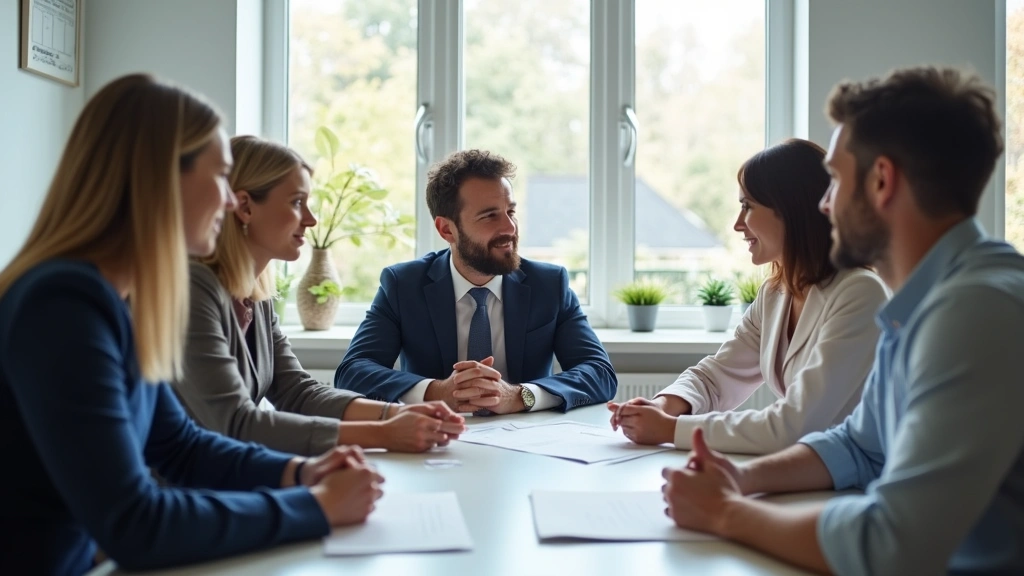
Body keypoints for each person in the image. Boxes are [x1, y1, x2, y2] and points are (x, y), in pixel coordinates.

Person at [0, 74, 383, 576]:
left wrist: (300, 472)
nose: (228, 201)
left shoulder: (115, 300)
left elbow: (181, 445)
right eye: (221, 176)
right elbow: (133, 523)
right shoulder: (62, 305)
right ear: (157, 179)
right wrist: (315, 507)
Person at [661, 66, 1024, 575]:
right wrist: (739, 480)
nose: (824, 204)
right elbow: (857, 444)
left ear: (881, 181)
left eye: (833, 179)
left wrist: (726, 513)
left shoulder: (977, 312)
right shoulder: (923, 305)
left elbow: (893, 546)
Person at [174, 136, 465, 455]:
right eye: (297, 202)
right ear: (244, 207)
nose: (311, 219)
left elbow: (297, 393)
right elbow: (236, 422)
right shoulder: (193, 289)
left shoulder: (257, 296)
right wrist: (383, 434)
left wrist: (396, 413)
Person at [608, 139, 888, 454]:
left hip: (857, 481)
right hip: (810, 469)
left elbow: (793, 426)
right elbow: (717, 377)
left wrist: (671, 429)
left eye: (748, 206)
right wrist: (662, 407)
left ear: (790, 210)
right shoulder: (775, 293)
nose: (738, 224)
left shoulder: (860, 293)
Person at [335, 149, 616, 414]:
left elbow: (600, 373)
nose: (509, 228)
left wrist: (520, 396)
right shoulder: (403, 285)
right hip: (432, 440)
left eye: (511, 212)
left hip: (529, 445)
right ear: (447, 229)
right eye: (489, 215)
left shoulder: (549, 284)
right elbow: (353, 372)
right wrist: (437, 392)